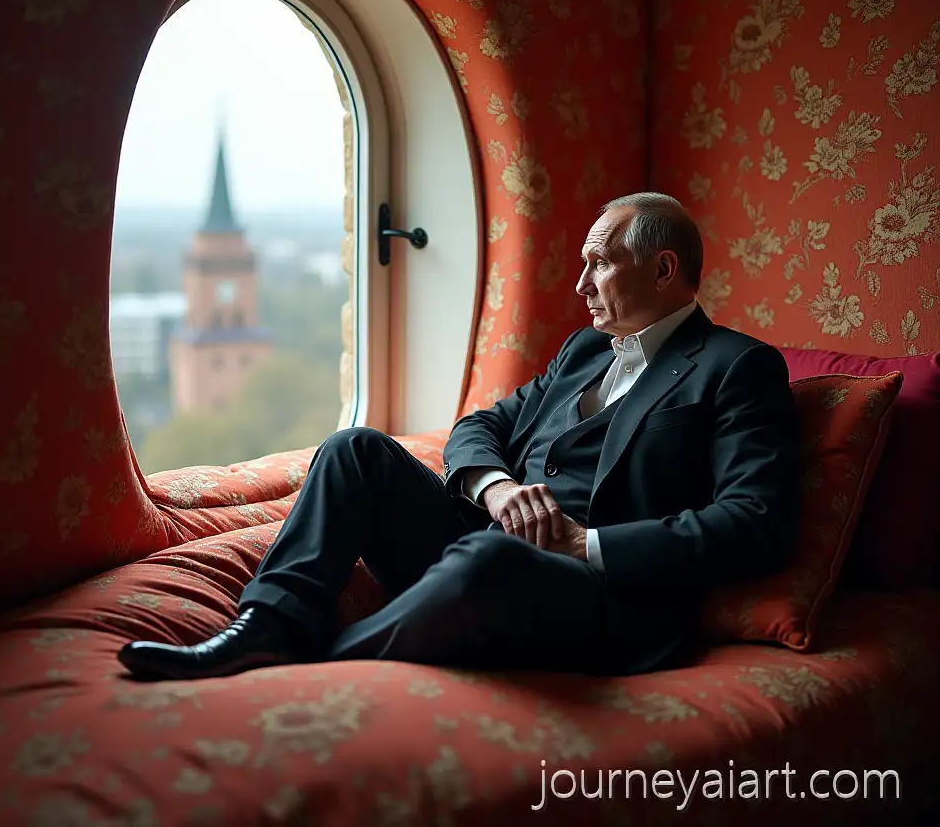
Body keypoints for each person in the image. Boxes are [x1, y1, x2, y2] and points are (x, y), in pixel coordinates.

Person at [118, 192, 801, 681]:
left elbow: (756, 521)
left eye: (600, 263)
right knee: (355, 450)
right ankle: (266, 627)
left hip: (600, 595)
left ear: (663, 270)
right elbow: (481, 425)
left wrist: (584, 544)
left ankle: (320, 665)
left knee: (488, 562)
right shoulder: (585, 350)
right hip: (487, 540)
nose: (580, 284)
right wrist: (497, 488)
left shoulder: (737, 366)